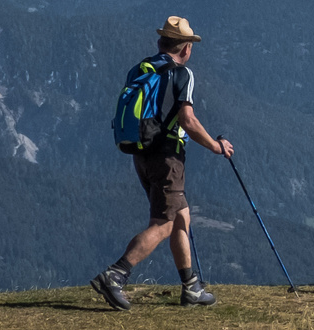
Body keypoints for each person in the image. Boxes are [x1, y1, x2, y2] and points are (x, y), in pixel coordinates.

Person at [90, 16, 235, 310]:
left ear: (160, 43)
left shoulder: (142, 68)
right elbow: (188, 120)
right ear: (186, 49)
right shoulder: (182, 74)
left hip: (141, 153)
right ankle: (116, 275)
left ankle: (191, 287)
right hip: (168, 158)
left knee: (181, 216)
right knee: (163, 224)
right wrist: (216, 146)